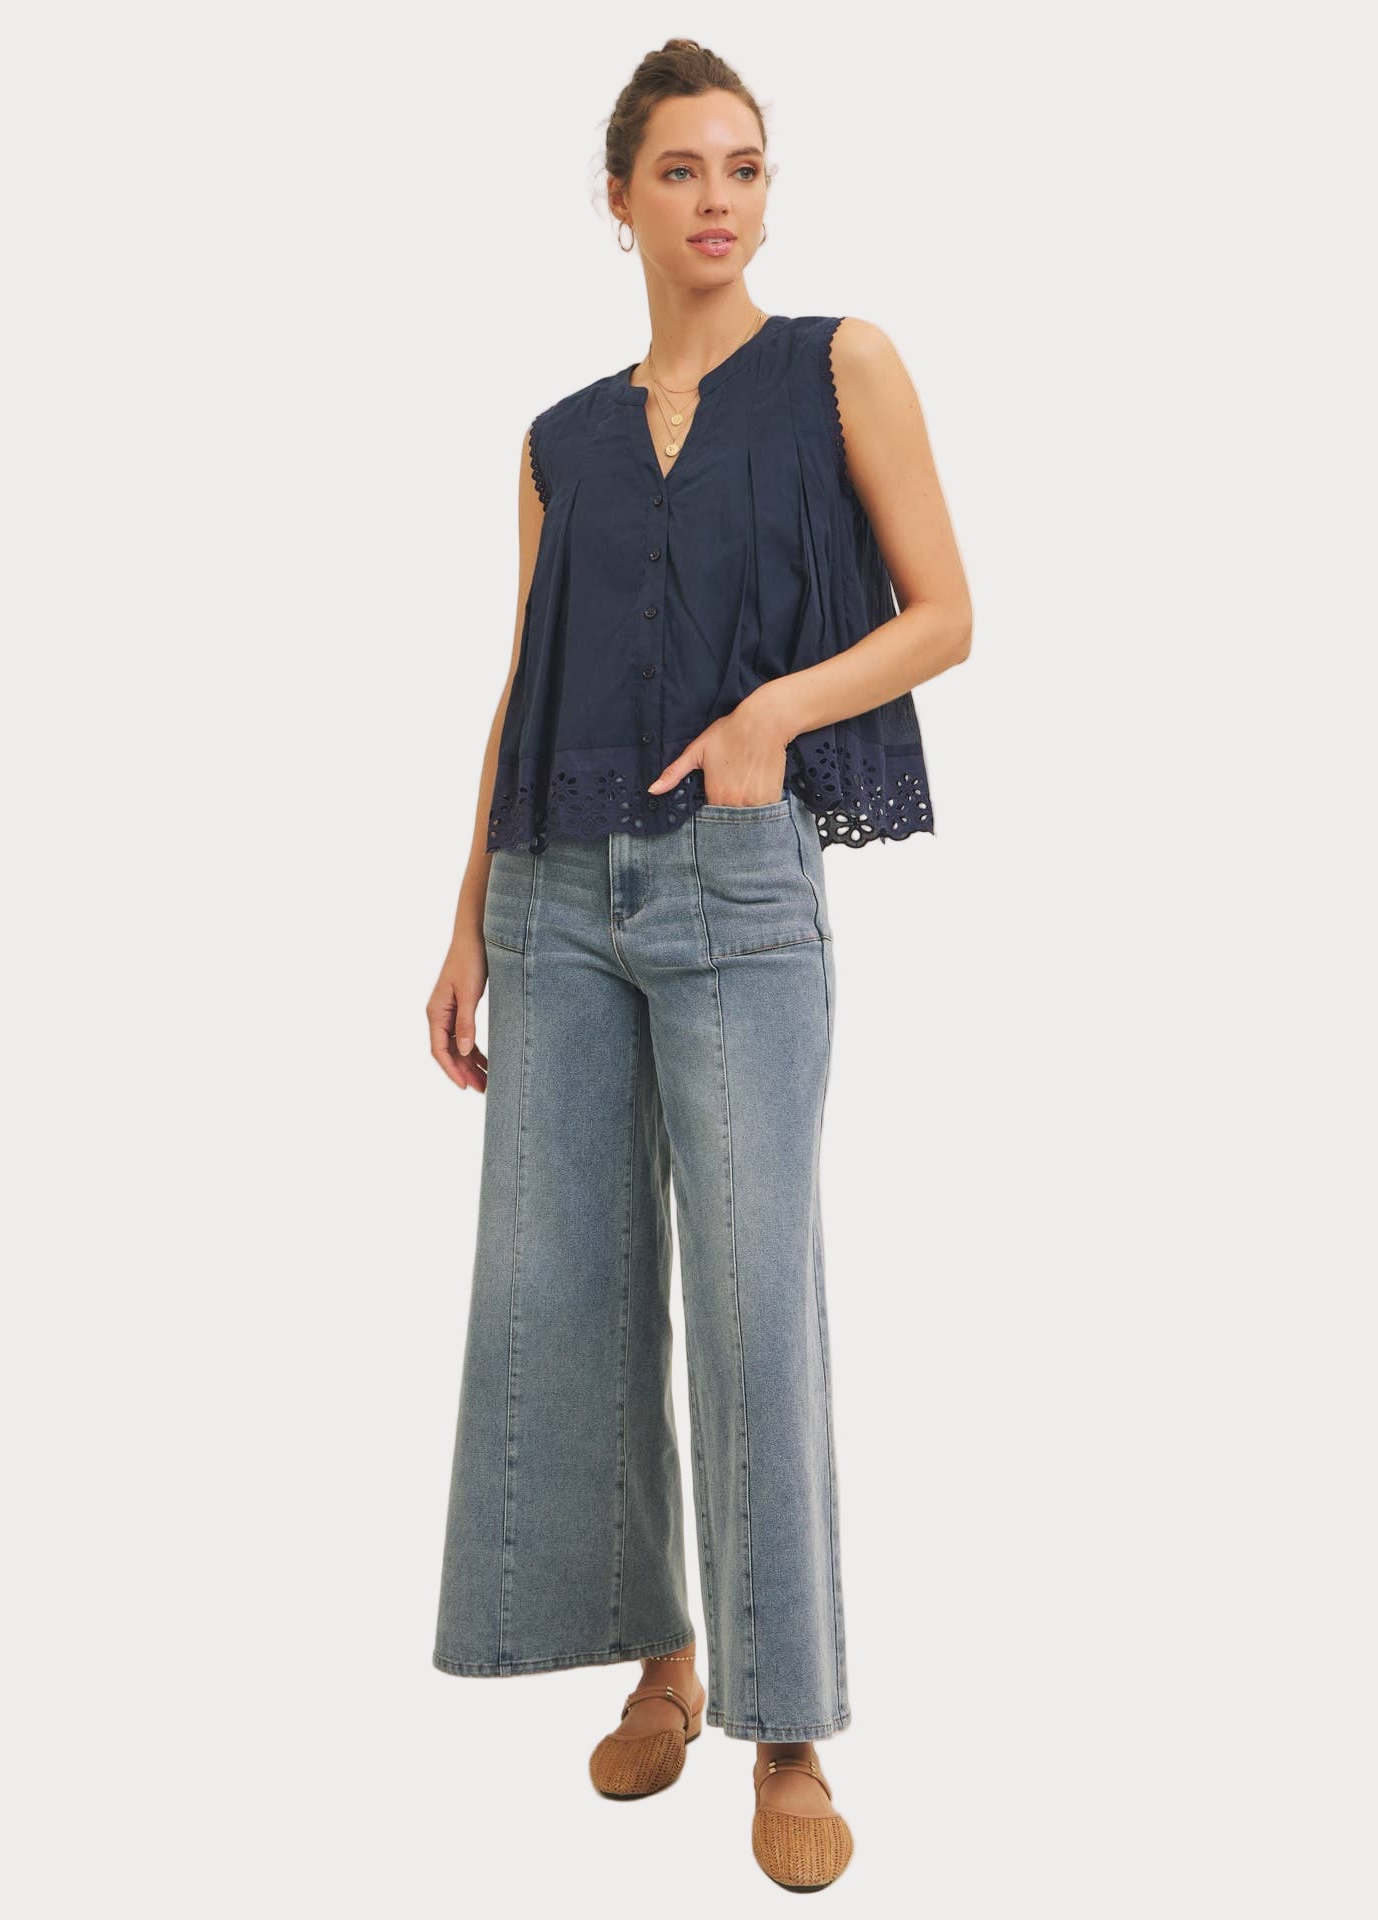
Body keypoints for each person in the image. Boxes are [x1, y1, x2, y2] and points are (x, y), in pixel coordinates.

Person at [425, 39, 971, 1893]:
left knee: (751, 1303)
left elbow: (947, 614)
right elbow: (526, 676)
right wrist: (463, 917)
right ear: (619, 201)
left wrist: (773, 717)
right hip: (554, 898)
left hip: (741, 889)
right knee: (568, 1293)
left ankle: (783, 1722)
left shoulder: (838, 367)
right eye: (680, 170)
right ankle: (660, 1657)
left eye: (742, 167)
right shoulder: (558, 440)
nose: (717, 198)